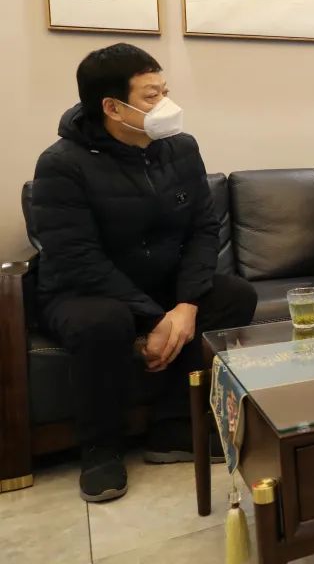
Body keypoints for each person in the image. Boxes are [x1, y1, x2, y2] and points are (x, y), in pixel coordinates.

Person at [32, 44, 257, 503]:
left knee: (235, 295)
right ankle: (100, 448)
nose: (165, 105)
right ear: (113, 107)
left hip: (163, 283)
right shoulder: (61, 164)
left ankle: (173, 429)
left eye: (165, 91)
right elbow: (78, 257)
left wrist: (186, 304)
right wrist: (154, 319)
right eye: (151, 96)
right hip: (83, 291)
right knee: (103, 322)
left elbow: (203, 228)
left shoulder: (182, 148)